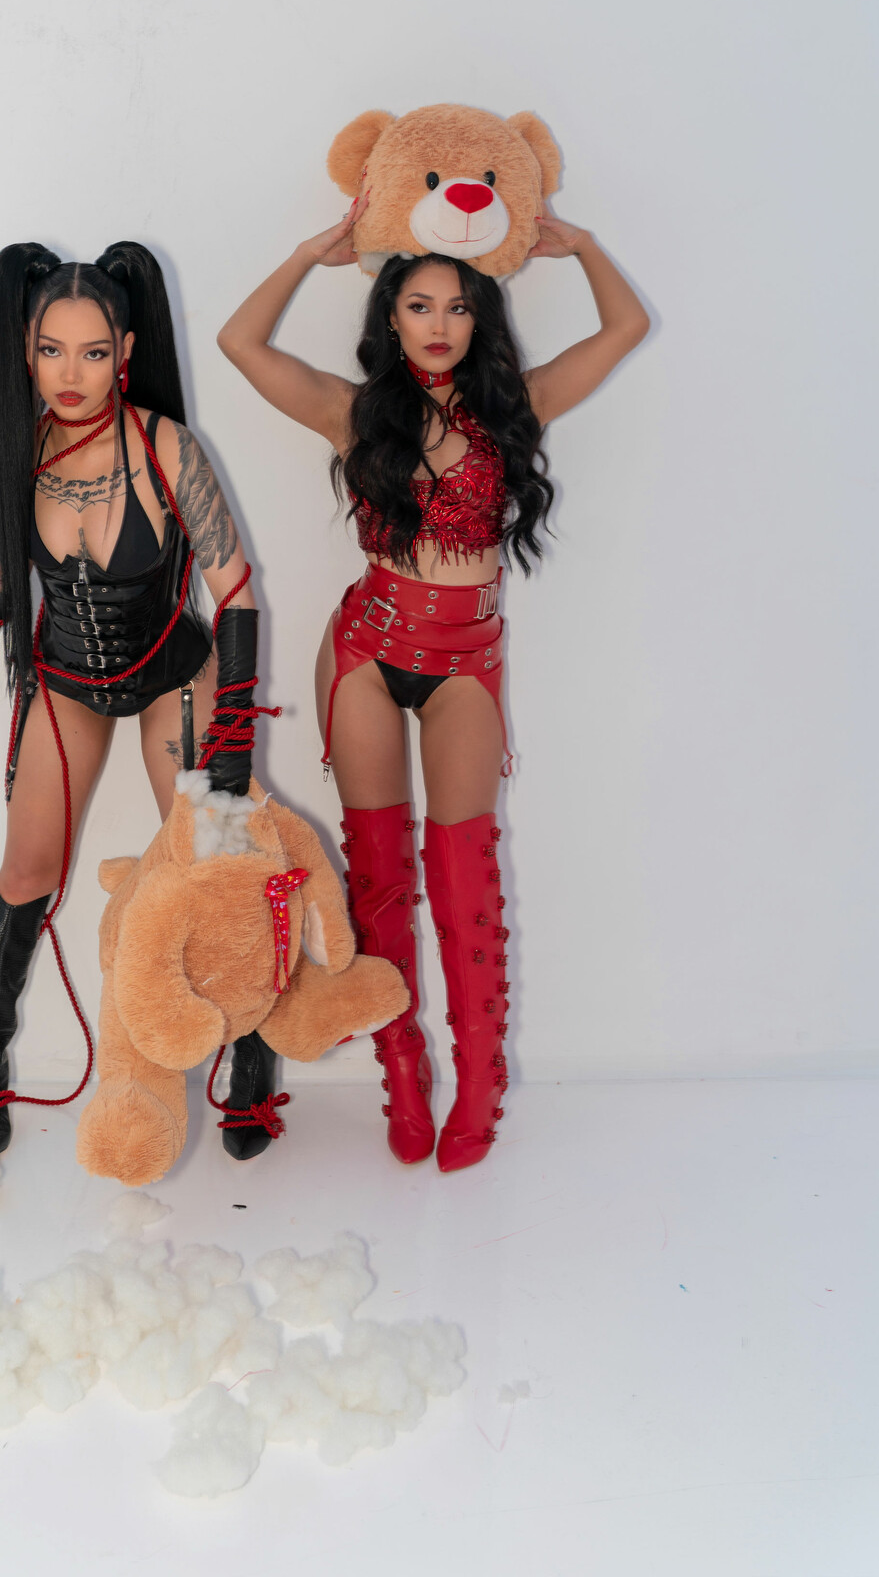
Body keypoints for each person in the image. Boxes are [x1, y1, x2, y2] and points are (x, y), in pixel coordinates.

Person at [217, 198, 648, 1171]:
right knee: (379, 882)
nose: (440, 323)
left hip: (465, 667)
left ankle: (480, 1083)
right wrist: (307, 250)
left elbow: (625, 327)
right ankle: (402, 1072)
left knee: (465, 881)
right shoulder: (356, 412)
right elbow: (240, 343)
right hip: (367, 653)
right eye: (419, 305)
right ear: (392, 316)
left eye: (458, 306)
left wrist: (583, 245)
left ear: (480, 318)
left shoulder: (516, 407)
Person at [0, 241, 279, 1160]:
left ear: (125, 351)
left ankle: (252, 1056)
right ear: (25, 351)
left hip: (173, 675)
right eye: (50, 350)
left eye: (91, 351)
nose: (69, 374)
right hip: (68, 681)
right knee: (25, 872)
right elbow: (5, 573)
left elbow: (236, 592)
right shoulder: (27, 449)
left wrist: (234, 736)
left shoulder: (166, 447)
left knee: (217, 860)